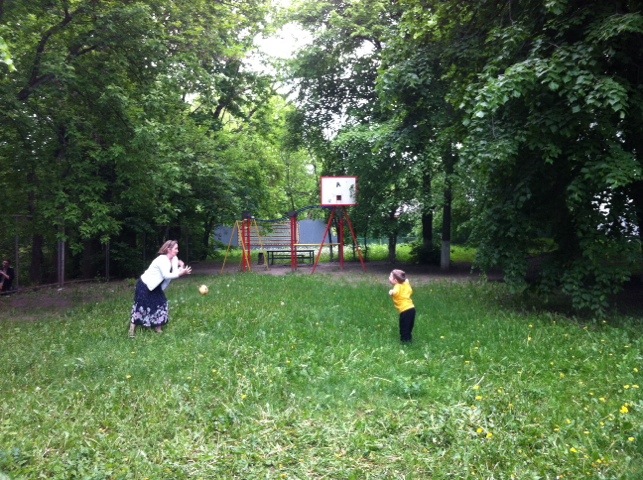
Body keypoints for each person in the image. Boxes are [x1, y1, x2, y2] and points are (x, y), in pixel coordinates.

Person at [129, 240, 191, 337]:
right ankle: (131, 331)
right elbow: (166, 275)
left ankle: (158, 329)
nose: (177, 251)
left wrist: (180, 269)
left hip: (155, 286)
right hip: (145, 285)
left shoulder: (174, 258)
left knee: (162, 303)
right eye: (175, 249)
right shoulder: (162, 260)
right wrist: (181, 273)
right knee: (140, 307)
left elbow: (174, 273)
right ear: (168, 249)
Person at [388, 269, 416, 344]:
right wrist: (406, 281)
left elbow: (396, 292)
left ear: (395, 280)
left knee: (404, 326)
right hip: (411, 308)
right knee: (409, 326)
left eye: (390, 277)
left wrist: (392, 292)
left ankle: (405, 341)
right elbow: (409, 289)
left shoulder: (397, 286)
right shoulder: (405, 284)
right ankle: (409, 339)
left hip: (405, 310)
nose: (389, 278)